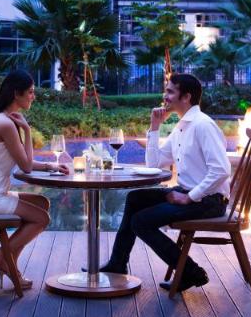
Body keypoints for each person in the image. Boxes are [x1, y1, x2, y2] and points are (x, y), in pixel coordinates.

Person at [99, 73, 231, 292]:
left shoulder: (202, 126)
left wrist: (189, 197)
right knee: (135, 198)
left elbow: (221, 170)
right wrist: (154, 127)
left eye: (170, 91)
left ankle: (190, 271)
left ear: (186, 97)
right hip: (189, 192)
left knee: (141, 221)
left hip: (210, 200)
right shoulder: (182, 126)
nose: (165, 95)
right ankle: (117, 263)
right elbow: (156, 163)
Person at [0, 69, 66, 294]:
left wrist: (50, 166)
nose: (33, 96)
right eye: (30, 92)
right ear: (16, 93)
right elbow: (25, 166)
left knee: (42, 203)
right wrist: (26, 130)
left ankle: (7, 262)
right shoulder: (5, 124)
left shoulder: (5, 120)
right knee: (41, 218)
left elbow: (22, 161)